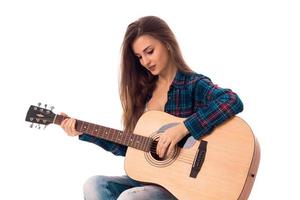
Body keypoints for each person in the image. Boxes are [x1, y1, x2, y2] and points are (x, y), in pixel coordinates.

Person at [60, 16, 243, 200]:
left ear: (167, 43)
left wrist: (181, 129)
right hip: (149, 182)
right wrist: (82, 131)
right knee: (94, 185)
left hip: (181, 188)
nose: (145, 61)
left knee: (130, 198)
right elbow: (132, 148)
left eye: (149, 51)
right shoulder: (144, 94)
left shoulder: (192, 84)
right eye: (139, 57)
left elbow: (231, 100)